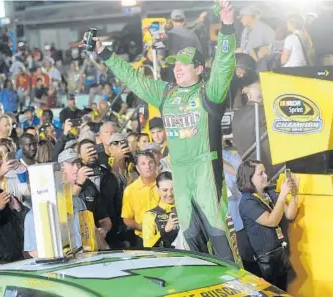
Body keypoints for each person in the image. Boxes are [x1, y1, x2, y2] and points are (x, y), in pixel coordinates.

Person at [86, 1, 240, 262]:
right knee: (192, 243)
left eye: (184, 64)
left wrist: (227, 26)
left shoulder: (208, 92)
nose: (177, 68)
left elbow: (225, 64)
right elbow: (134, 79)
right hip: (180, 174)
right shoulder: (166, 93)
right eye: (175, 63)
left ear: (199, 69)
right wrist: (105, 53)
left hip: (206, 173)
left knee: (220, 240)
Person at [237, 160, 298, 290]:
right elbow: (271, 221)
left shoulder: (269, 193)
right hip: (262, 261)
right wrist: (282, 195)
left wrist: (294, 194)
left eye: (265, 172)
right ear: (249, 178)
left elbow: (290, 214)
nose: (266, 175)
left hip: (278, 256)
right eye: (261, 173)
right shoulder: (247, 201)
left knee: (281, 291)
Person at [142, 171, 179, 248]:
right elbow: (147, 245)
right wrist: (165, 230)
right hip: (164, 258)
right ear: (157, 190)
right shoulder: (150, 215)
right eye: (165, 190)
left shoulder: (186, 210)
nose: (169, 194)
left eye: (172, 189)